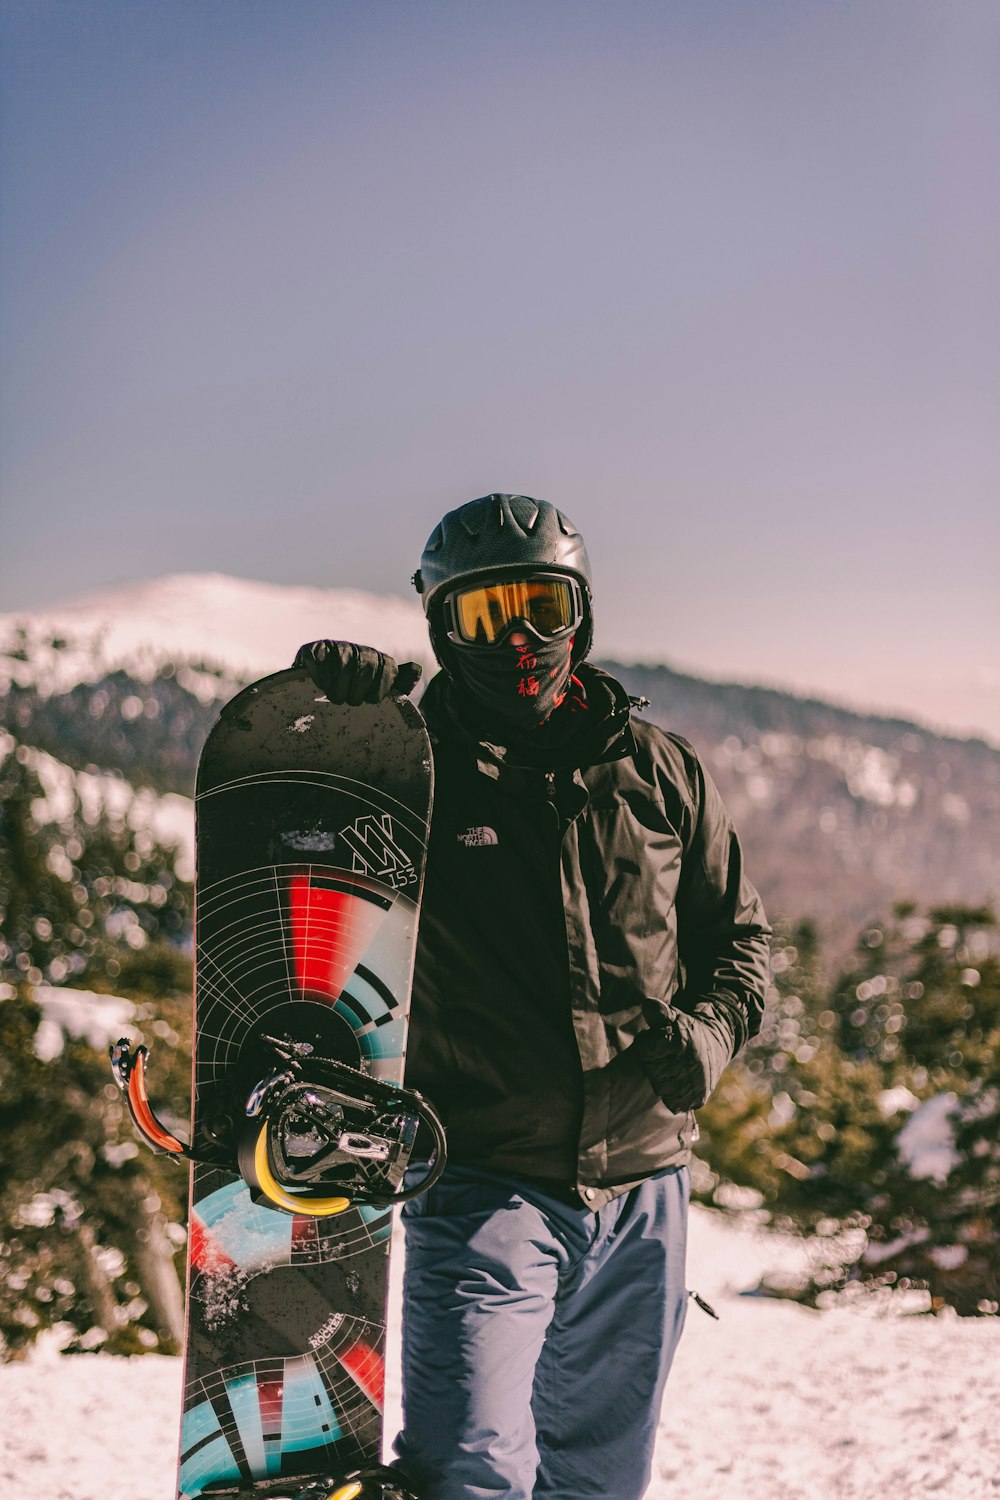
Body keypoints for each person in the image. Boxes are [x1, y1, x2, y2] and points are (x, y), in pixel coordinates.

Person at [295, 492, 771, 1500]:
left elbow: (740, 943)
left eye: (541, 607)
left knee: (599, 1476)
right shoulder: (411, 775)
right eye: (483, 614)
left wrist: (715, 1031)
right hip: (483, 1178)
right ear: (441, 628)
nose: (517, 639)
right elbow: (308, 880)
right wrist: (335, 738)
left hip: (643, 1188)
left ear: (580, 614)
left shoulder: (660, 771)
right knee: (467, 1466)